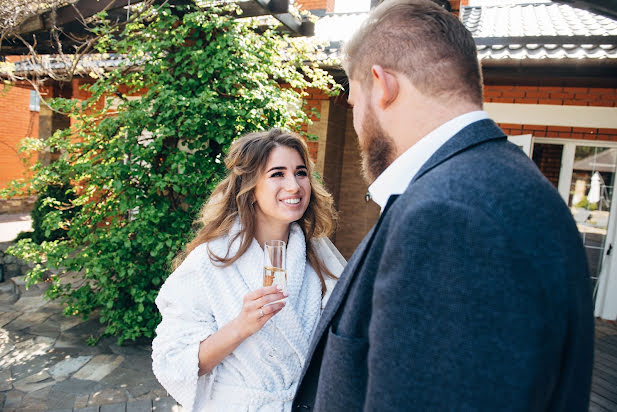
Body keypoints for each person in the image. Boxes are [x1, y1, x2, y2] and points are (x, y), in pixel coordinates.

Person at [293, 0, 594, 411]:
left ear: (383, 85)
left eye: (354, 101)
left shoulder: (449, 218)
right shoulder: (512, 184)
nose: (357, 118)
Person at [152, 129, 345, 411]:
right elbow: (173, 362)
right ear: (250, 187)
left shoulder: (318, 257)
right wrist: (241, 326)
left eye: (301, 172)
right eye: (277, 174)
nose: (294, 185)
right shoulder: (210, 260)